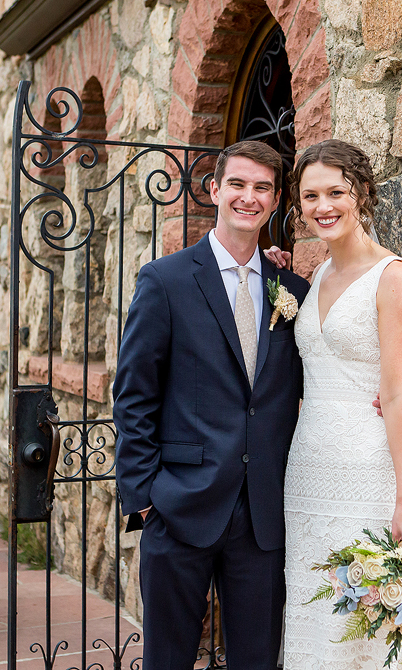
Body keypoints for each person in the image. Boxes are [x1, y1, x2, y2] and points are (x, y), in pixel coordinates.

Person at [112, 140, 310, 670]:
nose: (249, 197)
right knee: (168, 659)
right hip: (178, 505)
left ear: (275, 201)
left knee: (257, 660)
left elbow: (319, 373)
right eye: (239, 185)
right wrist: (143, 496)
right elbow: (133, 395)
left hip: (264, 516)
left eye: (262, 188)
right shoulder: (166, 280)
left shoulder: (293, 289)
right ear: (215, 189)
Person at [281, 139, 402, 670]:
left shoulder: (393, 277)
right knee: (315, 614)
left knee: (369, 626)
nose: (323, 206)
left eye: (336, 192)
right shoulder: (315, 275)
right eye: (311, 196)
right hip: (308, 471)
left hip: (367, 471)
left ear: (361, 194)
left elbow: (394, 392)